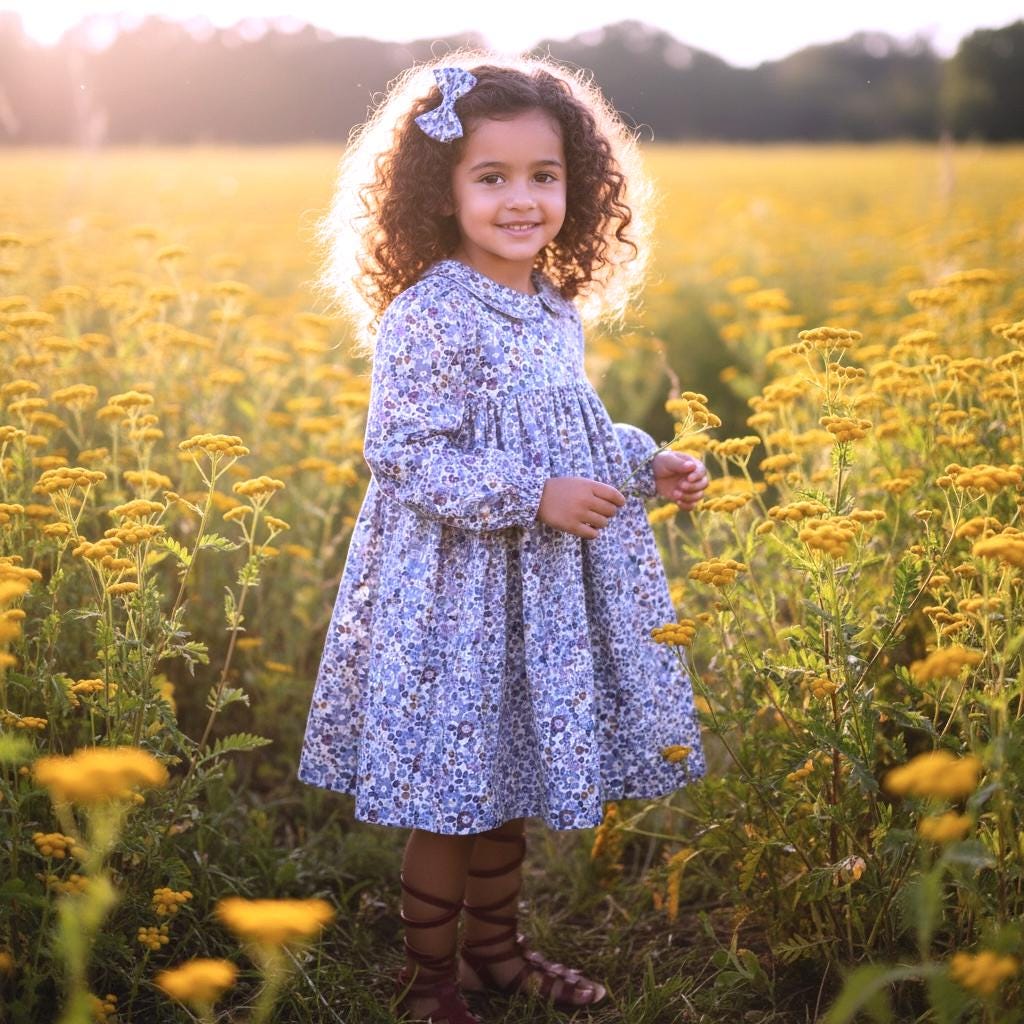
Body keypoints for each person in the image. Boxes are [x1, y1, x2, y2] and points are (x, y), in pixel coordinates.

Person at [298, 51, 710, 1023]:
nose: (521, 199)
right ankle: (425, 979)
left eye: (543, 175)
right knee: (452, 787)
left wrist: (640, 463)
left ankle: (494, 951)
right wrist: (534, 494)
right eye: (492, 177)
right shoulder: (427, 315)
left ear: (577, 184)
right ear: (441, 191)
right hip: (452, 591)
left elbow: (568, 430)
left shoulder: (551, 310)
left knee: (509, 762)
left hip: (535, 594)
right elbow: (402, 453)